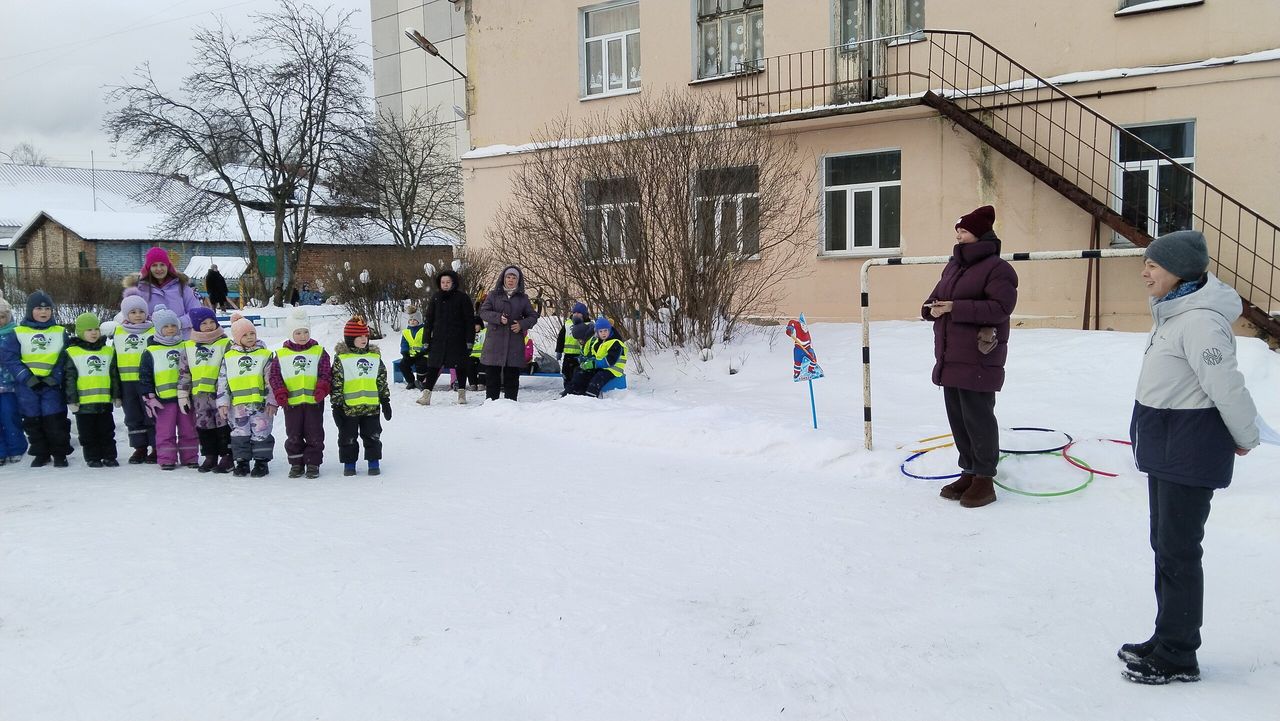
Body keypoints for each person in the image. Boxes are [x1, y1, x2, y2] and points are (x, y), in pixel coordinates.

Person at [1118, 230, 1259, 685]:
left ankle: (1179, 655)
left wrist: (1245, 434)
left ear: (1179, 271)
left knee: (1178, 552)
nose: (1144, 273)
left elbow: (1227, 386)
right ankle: (1167, 636)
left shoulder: (1199, 322)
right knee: (1165, 547)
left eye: (1153, 265)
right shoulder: (1174, 313)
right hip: (1168, 445)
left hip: (1189, 447)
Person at [922, 205, 1018, 509]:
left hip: (979, 354)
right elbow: (936, 296)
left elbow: (1001, 308)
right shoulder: (953, 266)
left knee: (978, 418)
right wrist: (930, 309)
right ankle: (969, 471)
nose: (959, 236)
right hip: (950, 354)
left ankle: (984, 479)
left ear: (979, 234)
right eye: (958, 231)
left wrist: (955, 308)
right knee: (959, 418)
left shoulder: (998, 269)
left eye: (963, 231)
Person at [0, 290, 72, 467]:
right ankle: (41, 453)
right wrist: (26, 377)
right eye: (38, 309)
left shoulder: (59, 332)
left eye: (47, 308)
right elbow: (10, 358)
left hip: (51, 386)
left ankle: (60, 453)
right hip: (27, 387)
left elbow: (65, 357)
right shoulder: (18, 333)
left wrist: (55, 377)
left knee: (55, 421)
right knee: (33, 422)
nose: (43, 312)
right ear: (30, 310)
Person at [269, 308, 330, 479]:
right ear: (290, 334)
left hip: (314, 402)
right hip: (291, 403)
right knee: (293, 434)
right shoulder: (282, 355)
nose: (303, 336)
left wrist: (322, 387)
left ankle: (313, 463)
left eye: (306, 332)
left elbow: (325, 372)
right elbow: (275, 376)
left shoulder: (318, 351)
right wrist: (280, 392)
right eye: (298, 333)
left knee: (314, 434)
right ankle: (296, 463)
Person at [218, 314, 278, 477]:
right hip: (237, 406)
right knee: (240, 433)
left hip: (260, 405)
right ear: (237, 338)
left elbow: (271, 380)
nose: (250, 337)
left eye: (252, 333)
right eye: (245, 335)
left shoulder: (264, 355)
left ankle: (261, 462)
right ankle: (242, 462)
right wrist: (223, 402)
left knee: (261, 432)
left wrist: (272, 401)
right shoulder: (229, 357)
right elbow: (223, 381)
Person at [331, 316, 391, 477]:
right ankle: (349, 464)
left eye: (365, 335)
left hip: (371, 407)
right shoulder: (342, 359)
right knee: (347, 437)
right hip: (348, 409)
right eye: (359, 336)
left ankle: (373, 462)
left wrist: (385, 400)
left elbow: (381, 380)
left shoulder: (374, 357)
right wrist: (336, 405)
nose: (364, 339)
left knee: (373, 436)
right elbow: (336, 383)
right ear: (350, 339)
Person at [139, 305, 197, 471]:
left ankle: (190, 457)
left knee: (188, 429)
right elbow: (145, 375)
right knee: (165, 431)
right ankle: (166, 458)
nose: (170, 329)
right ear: (158, 329)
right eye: (166, 326)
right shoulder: (151, 351)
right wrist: (149, 396)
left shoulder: (186, 346)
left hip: (185, 397)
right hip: (163, 400)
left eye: (173, 325)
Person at [63, 312, 121, 467]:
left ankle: (109, 456)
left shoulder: (108, 351)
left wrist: (116, 395)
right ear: (80, 332)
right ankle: (92, 457)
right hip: (83, 406)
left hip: (104, 402)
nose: (94, 332)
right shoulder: (72, 352)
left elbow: (114, 375)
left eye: (96, 329)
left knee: (107, 431)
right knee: (87, 434)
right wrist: (72, 400)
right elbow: (69, 378)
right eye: (89, 330)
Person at [478, 266, 539, 401]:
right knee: (492, 377)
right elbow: (483, 312)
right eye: (508, 277)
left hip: (514, 343)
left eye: (514, 277)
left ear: (518, 280)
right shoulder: (493, 295)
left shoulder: (523, 298)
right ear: (503, 279)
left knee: (512, 378)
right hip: (494, 342)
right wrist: (498, 318)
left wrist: (522, 324)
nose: (511, 280)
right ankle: (490, 405)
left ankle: (511, 406)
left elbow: (533, 316)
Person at [185, 307, 233, 474]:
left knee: (224, 425)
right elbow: (184, 372)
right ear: (196, 325)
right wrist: (183, 394)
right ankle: (210, 455)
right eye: (204, 323)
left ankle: (227, 455)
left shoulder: (225, 343)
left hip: (220, 394)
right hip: (200, 396)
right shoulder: (188, 346)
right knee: (204, 426)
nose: (209, 326)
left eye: (212, 322)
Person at [418, 270, 475, 406]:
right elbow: (429, 320)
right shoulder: (436, 297)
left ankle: (461, 394)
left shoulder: (463, 298)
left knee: (460, 366)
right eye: (443, 282)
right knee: (433, 366)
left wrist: (469, 341)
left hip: (458, 339)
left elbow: (469, 321)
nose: (445, 284)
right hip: (439, 340)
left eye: (448, 282)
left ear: (453, 283)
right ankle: (426, 395)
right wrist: (426, 339)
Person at [124, 247, 203, 338]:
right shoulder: (139, 289)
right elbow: (130, 314)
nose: (159, 269)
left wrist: (178, 323)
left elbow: (196, 312)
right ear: (148, 267)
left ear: (168, 266)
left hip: (180, 339)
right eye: (154, 265)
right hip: (151, 339)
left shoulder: (182, 287)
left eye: (162, 264)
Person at [115, 293, 157, 464]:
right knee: (133, 416)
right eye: (133, 312)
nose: (138, 315)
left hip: (148, 383)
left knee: (151, 415)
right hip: (127, 383)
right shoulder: (118, 332)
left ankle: (156, 446)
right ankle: (140, 447)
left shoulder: (153, 331)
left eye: (141, 311)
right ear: (126, 314)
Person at [568, 316, 628, 398]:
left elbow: (610, 361)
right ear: (597, 332)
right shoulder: (598, 342)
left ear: (610, 330)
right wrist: (587, 362)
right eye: (601, 331)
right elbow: (594, 356)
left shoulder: (615, 343)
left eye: (606, 330)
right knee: (582, 372)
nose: (603, 333)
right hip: (601, 367)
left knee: (597, 378)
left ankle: (591, 397)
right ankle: (574, 393)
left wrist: (593, 364)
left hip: (612, 369)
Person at [0, 298, 28, 465]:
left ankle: (16, 447)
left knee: (10, 416)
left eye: (2, 316)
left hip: (10, 385)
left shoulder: (15, 334)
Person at [556, 302, 594, 394]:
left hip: (581, 355)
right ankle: (567, 389)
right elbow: (561, 338)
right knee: (566, 373)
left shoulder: (589, 324)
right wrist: (559, 350)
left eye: (579, 313)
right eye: (574, 312)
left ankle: (576, 389)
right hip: (568, 354)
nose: (576, 314)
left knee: (577, 373)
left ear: (584, 314)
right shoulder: (568, 324)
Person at [400, 306, 428, 391]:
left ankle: (420, 381)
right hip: (411, 354)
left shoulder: (424, 330)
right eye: (410, 320)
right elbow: (404, 343)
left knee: (421, 365)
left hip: (423, 354)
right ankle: (410, 381)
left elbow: (427, 342)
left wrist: (423, 351)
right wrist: (405, 352)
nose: (412, 321)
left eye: (414, 320)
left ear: (419, 320)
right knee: (403, 364)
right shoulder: (406, 331)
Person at [467, 318, 486, 391]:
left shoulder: (485, 332)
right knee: (470, 366)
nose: (474, 327)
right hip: (472, 355)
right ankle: (473, 384)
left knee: (482, 368)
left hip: (483, 355)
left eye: (476, 325)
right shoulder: (470, 334)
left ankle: (482, 383)